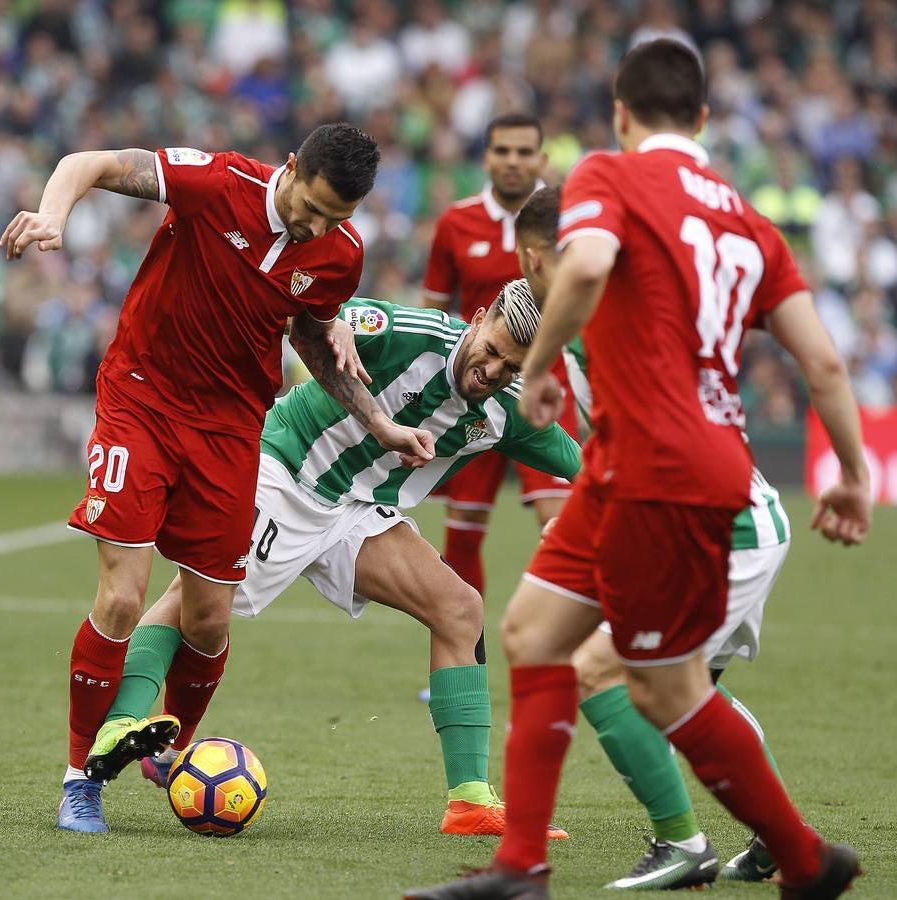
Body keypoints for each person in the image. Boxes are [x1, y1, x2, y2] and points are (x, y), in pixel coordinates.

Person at [405, 39, 871, 900]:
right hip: (630, 469)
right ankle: (520, 869)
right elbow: (824, 362)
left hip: (670, 474)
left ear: (619, 115)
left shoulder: (607, 178)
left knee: (646, 686)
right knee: (530, 631)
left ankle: (791, 858)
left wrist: (538, 366)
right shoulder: (749, 219)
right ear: (701, 117)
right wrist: (851, 470)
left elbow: (581, 264)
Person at [0, 123, 435, 834]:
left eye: (335, 220)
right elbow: (91, 161)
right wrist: (54, 215)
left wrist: (379, 424)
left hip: (231, 430)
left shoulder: (338, 254)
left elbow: (312, 338)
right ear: (290, 167)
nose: (315, 227)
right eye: (311, 208)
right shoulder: (217, 183)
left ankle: (167, 747)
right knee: (121, 597)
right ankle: (80, 778)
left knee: (207, 617)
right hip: (140, 399)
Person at [85, 283, 579, 838]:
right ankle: (123, 721)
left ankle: (470, 803)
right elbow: (327, 318)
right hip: (286, 471)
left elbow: (586, 468)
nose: (492, 369)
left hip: (356, 510)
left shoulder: (507, 409)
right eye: (491, 349)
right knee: (197, 603)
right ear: (480, 317)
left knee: (459, 609)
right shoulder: (406, 333)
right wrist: (337, 321)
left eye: (510, 365)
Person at [517, 186, 793, 890]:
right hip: (725, 519)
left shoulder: (590, 310)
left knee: (598, 669)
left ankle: (683, 844)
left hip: (718, 526)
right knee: (679, 694)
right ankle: (780, 838)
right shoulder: (628, 300)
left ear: (532, 256)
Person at [422, 113, 579, 598]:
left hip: (543, 394)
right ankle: (463, 659)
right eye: (503, 151)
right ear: (487, 157)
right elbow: (431, 313)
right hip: (472, 392)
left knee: (564, 528)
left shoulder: (569, 223)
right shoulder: (455, 222)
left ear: (542, 159)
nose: (513, 161)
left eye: (524, 151)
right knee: (462, 536)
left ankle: (571, 662)